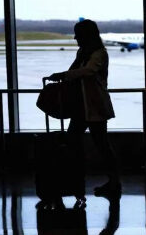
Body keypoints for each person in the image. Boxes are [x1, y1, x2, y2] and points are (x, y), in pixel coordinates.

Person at [46, 19, 121, 200]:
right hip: (84, 107)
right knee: (82, 144)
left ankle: (111, 182)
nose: (75, 38)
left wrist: (63, 76)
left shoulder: (99, 54)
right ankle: (82, 181)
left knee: (100, 146)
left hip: (94, 107)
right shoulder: (86, 52)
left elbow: (87, 71)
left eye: (78, 35)